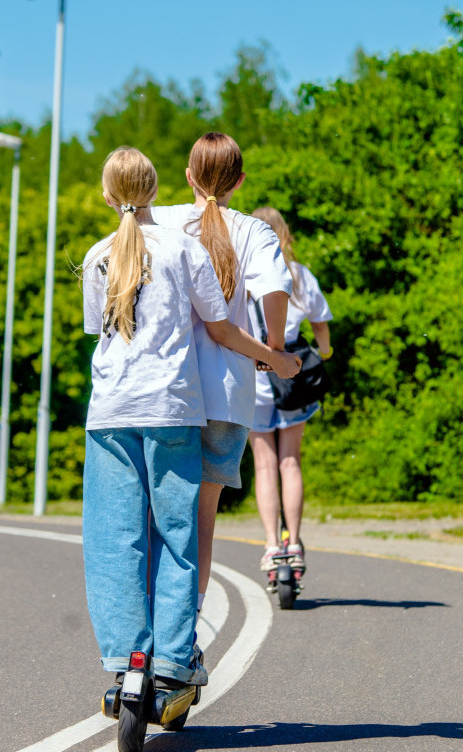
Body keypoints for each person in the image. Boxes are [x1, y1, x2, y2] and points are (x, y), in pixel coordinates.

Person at [80, 147, 297, 693]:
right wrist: (275, 353)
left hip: (116, 407)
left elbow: (99, 328)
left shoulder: (117, 242)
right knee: (185, 533)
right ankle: (177, 656)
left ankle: (132, 655)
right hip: (194, 400)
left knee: (123, 537)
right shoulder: (212, 238)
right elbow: (239, 316)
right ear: (240, 180)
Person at [151, 132, 295, 617]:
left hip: (163, 394)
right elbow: (274, 293)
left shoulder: (162, 220)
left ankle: (148, 631)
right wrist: (273, 350)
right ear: (239, 181)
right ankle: (184, 635)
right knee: (201, 524)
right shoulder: (255, 233)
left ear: (188, 176)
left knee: (159, 520)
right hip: (227, 395)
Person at [247, 206, 334, 576]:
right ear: (286, 235)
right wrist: (325, 352)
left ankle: (270, 545)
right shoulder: (298, 275)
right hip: (292, 374)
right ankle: (294, 542)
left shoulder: (242, 275)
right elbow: (321, 323)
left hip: (253, 378)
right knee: (290, 462)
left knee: (264, 465)